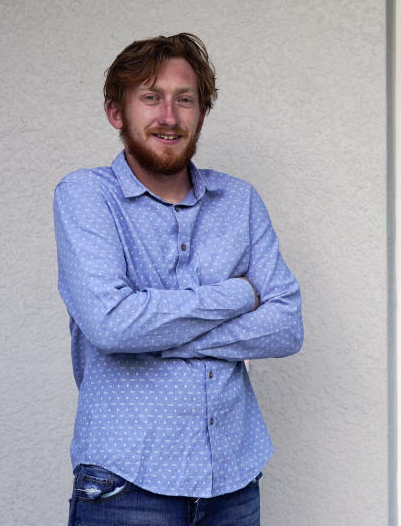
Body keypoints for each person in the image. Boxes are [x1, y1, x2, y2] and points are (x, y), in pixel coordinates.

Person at [54, 33, 303, 526]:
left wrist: (158, 333)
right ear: (116, 113)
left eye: (184, 100)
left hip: (233, 482)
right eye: (150, 98)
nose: (169, 116)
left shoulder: (240, 201)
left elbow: (286, 325)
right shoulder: (86, 197)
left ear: (201, 113)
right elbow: (112, 326)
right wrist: (240, 294)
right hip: (126, 486)